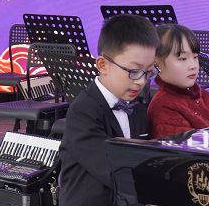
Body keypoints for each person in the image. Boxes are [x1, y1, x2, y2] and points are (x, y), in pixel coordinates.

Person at [59, 14, 160, 206]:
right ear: (103, 65)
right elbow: (113, 170)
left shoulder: (138, 108)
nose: (141, 81)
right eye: (134, 71)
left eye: (149, 72)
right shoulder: (83, 111)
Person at [148, 24, 209, 138]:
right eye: (182, 59)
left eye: (195, 57)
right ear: (157, 63)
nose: (193, 66)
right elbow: (188, 148)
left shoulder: (204, 95)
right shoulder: (163, 107)